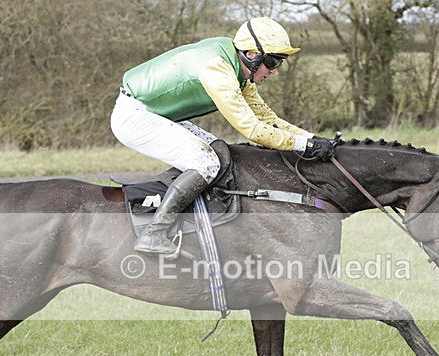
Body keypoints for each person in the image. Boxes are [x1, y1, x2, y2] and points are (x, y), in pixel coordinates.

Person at [111, 17, 336, 257]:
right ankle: (154, 233)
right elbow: (253, 129)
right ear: (251, 54)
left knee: (219, 151)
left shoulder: (237, 67)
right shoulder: (218, 70)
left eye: (279, 63)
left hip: (153, 113)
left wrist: (312, 138)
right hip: (135, 117)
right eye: (271, 62)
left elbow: (266, 118)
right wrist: (302, 145)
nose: (274, 70)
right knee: (206, 162)